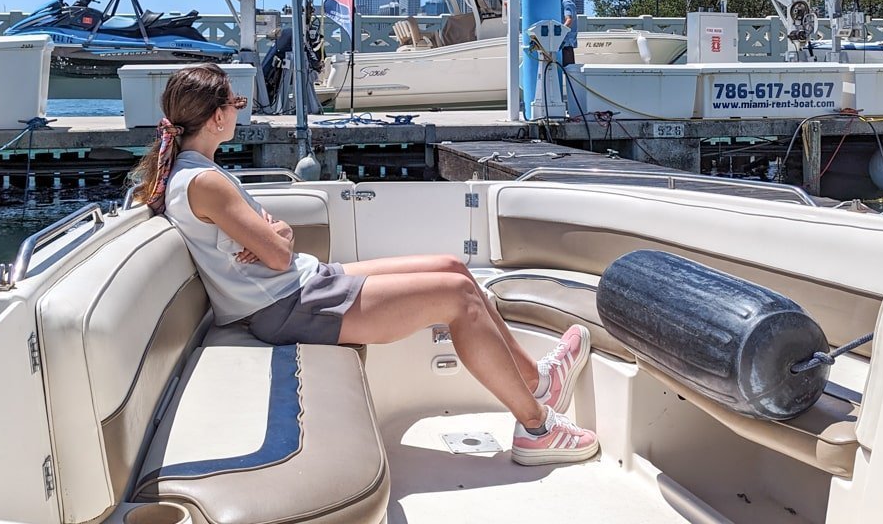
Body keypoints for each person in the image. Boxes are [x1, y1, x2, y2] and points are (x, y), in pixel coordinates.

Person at [131, 63, 598, 466]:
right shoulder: (204, 181)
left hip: (300, 286)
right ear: (217, 117)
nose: (238, 109)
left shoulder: (196, 173)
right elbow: (276, 254)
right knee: (457, 299)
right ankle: (537, 429)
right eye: (235, 101)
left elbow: (279, 244)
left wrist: (276, 236)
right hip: (287, 305)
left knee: (454, 267)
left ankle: (538, 383)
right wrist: (274, 237)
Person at [560, 0, 577, 67]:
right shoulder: (555, 5)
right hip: (558, 45)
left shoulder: (566, 3)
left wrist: (558, 34)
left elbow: (569, 20)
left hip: (566, 45)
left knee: (568, 72)